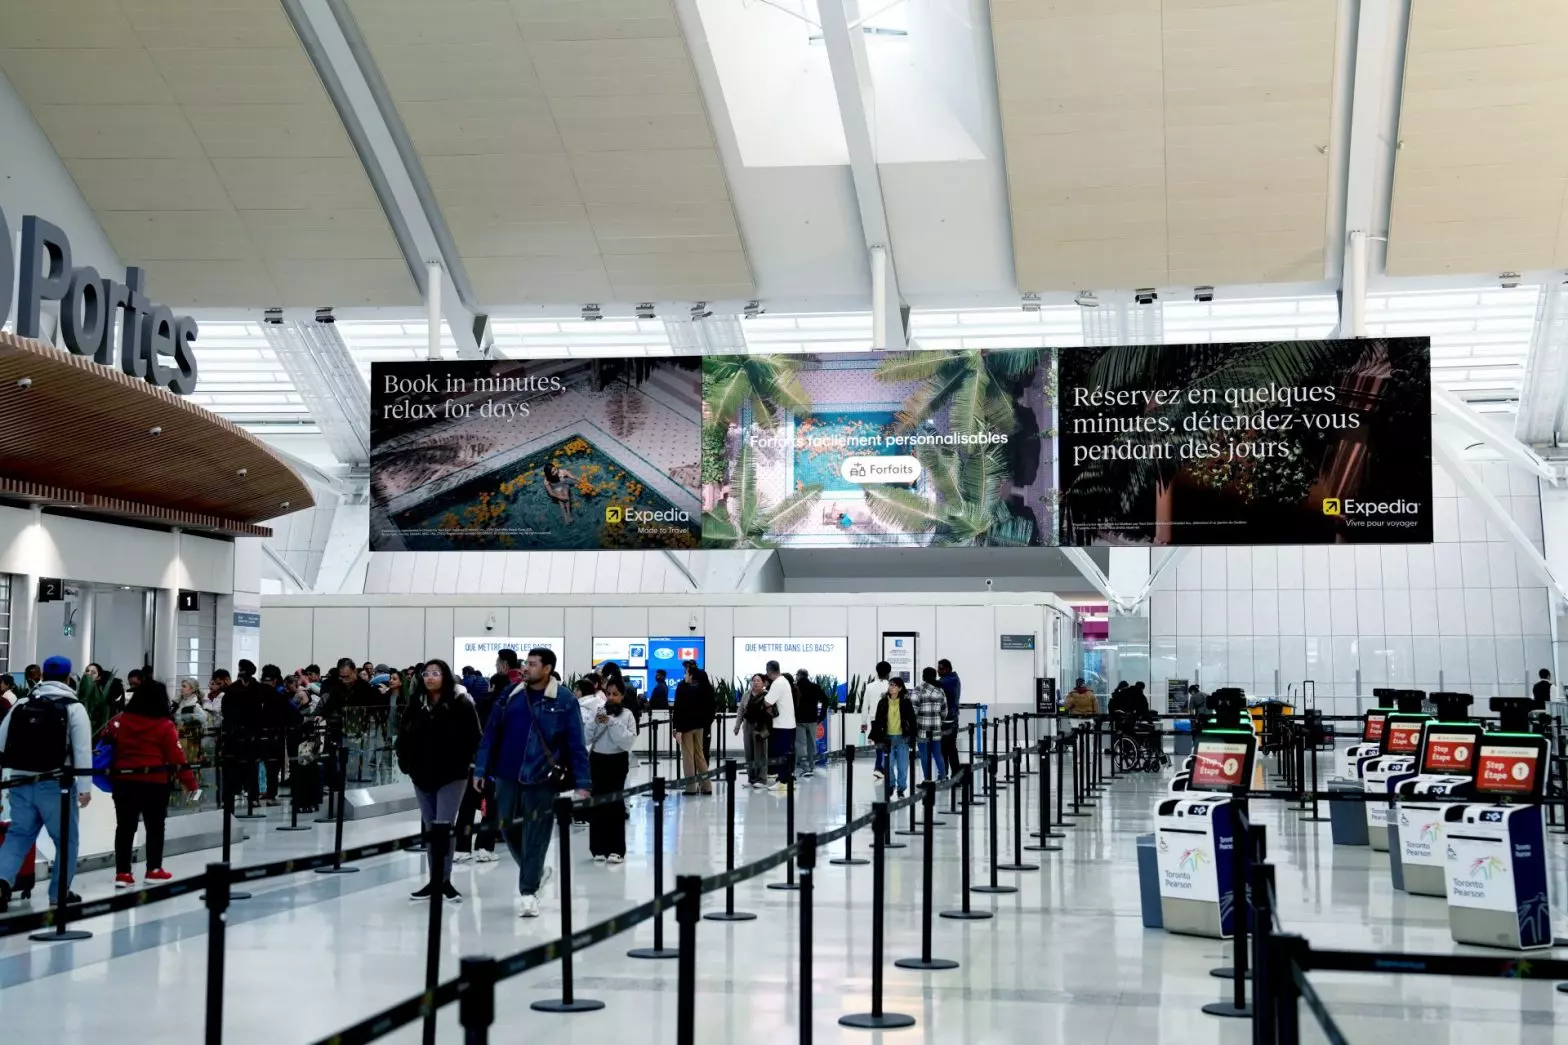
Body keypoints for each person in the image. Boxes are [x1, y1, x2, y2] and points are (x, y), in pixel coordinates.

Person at [473, 647, 590, 919]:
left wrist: (583, 782)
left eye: (533, 664)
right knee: (507, 827)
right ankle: (536, 870)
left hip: (541, 778)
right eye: (526, 663)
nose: (526, 668)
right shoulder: (511, 694)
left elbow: (576, 744)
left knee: (536, 834)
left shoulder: (564, 700)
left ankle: (528, 892)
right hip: (505, 774)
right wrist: (480, 767)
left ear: (547, 668)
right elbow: (490, 731)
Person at [0, 656, 92, 911]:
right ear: (68, 676)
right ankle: (59, 893)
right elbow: (83, 750)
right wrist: (85, 787)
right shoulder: (74, 707)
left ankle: (1, 881)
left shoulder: (22, 703)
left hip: (19, 780)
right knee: (66, 839)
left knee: (18, 835)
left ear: (42, 675)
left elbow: (1, 740)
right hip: (55, 784)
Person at [397, 659, 481, 903]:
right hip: (421, 775)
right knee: (431, 827)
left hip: (452, 775)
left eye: (436, 673)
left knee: (445, 825)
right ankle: (434, 880)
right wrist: (406, 762)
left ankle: (444, 880)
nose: (430, 677)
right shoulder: (415, 704)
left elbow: (475, 737)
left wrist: (468, 764)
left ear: (445, 676)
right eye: (426, 674)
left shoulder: (461, 704)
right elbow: (403, 734)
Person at [105, 680, 199, 888]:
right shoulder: (164, 725)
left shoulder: (122, 721)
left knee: (125, 827)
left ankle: (123, 873)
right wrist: (191, 784)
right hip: (154, 782)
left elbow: (107, 742)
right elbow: (176, 757)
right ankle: (153, 869)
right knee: (155, 827)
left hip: (124, 781)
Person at [585, 677, 638, 863]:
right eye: (608, 694)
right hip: (597, 760)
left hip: (617, 761)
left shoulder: (628, 715)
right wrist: (595, 723)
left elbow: (627, 741)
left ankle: (616, 849)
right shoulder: (598, 712)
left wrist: (610, 722)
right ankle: (597, 848)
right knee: (597, 803)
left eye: (615, 694)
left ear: (622, 696)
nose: (611, 697)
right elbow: (586, 737)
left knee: (615, 803)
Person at [868, 675, 917, 798]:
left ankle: (901, 788)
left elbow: (912, 720)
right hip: (887, 738)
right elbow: (878, 720)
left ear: (900, 688)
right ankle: (890, 785)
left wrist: (912, 737)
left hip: (902, 738)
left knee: (902, 765)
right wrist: (873, 734)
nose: (891, 687)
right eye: (890, 685)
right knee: (887, 765)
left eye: (894, 685)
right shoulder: (883, 702)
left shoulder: (906, 702)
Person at [672, 661, 716, 795]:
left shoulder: (683, 687)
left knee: (688, 757)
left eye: (685, 673)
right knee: (700, 755)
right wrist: (706, 723)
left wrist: (676, 728)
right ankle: (707, 786)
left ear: (689, 674)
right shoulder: (705, 685)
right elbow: (711, 707)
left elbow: (678, 709)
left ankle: (691, 788)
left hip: (686, 728)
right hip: (701, 726)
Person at [763, 661, 797, 791]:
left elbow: (767, 702)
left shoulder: (777, 683)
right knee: (786, 754)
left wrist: (768, 710)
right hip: (788, 725)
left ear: (768, 671)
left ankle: (783, 781)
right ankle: (785, 779)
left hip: (782, 726)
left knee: (781, 754)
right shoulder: (784, 681)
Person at [735, 673, 772, 788]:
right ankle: (751, 778)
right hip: (747, 727)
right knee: (749, 753)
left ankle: (761, 779)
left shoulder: (767, 696)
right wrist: (737, 726)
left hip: (760, 728)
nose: (755, 683)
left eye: (758, 680)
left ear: (763, 683)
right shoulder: (746, 695)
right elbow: (741, 711)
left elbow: (770, 714)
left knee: (760, 753)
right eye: (754, 680)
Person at [913, 667, 949, 782]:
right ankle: (943, 777)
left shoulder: (919, 688)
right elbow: (944, 711)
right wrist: (939, 719)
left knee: (924, 755)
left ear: (923, 676)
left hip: (922, 728)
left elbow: (913, 708)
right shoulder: (940, 690)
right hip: (936, 727)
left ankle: (927, 780)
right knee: (938, 754)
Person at [791, 670, 828, 779]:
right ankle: (811, 766)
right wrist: (821, 716)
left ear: (798, 676)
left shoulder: (795, 687)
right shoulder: (815, 686)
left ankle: (805, 768)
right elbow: (825, 700)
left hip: (799, 720)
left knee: (801, 744)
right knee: (812, 743)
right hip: (812, 719)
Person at [862, 662, 891, 780]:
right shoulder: (891, 686)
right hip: (889, 719)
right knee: (888, 744)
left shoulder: (869, 686)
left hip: (874, 719)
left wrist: (863, 723)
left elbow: (865, 706)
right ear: (889, 672)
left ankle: (879, 767)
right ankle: (881, 768)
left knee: (879, 744)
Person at [936, 659, 962, 774]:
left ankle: (949, 775)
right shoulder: (952, 679)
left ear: (947, 669)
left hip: (949, 721)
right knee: (947, 749)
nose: (938, 671)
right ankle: (947, 774)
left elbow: (937, 684)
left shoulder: (950, 681)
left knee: (948, 749)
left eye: (940, 669)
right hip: (950, 719)